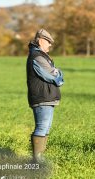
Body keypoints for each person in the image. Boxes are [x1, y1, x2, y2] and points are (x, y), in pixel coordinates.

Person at [26, 28, 64, 162]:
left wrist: (57, 73)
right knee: (42, 127)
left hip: (47, 97)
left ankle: (39, 158)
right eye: (48, 42)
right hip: (42, 97)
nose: (50, 45)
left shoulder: (40, 55)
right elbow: (52, 74)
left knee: (45, 128)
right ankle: (36, 161)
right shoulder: (37, 57)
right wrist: (58, 76)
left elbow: (55, 72)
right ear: (41, 41)